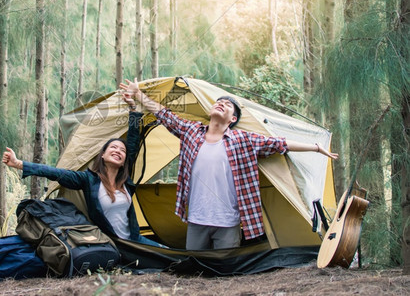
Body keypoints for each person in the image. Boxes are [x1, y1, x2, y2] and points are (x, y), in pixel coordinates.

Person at [120, 78, 338, 250]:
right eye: (218, 102)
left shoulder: (243, 140)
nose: (221, 104)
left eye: (227, 105)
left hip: (229, 222)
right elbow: (164, 114)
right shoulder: (191, 131)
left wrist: (316, 147)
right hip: (196, 219)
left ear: (232, 119)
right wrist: (139, 95)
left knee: (225, 273)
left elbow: (280, 143)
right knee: (196, 270)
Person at [2, 94, 163, 248]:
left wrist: (133, 109)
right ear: (103, 155)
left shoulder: (125, 182)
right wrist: (19, 164)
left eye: (122, 150)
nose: (118, 151)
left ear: (124, 162)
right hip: (114, 245)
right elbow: (55, 173)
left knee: (174, 255)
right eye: (113, 147)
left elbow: (133, 142)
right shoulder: (89, 180)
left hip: (136, 240)